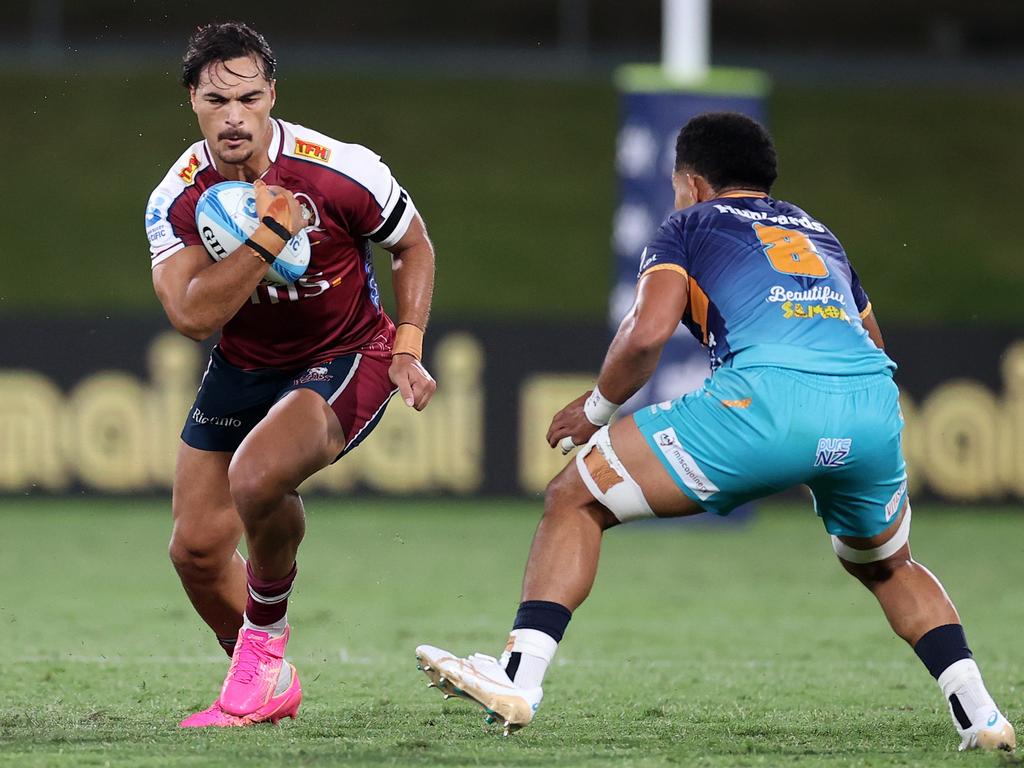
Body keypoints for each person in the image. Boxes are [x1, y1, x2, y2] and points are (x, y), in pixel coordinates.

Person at [416, 112, 1015, 752]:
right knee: (890, 566)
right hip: (871, 404)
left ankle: (517, 678)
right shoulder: (819, 234)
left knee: (575, 497)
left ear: (693, 183)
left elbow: (646, 335)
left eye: (677, 185)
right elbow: (870, 340)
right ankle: (981, 716)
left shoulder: (689, 223)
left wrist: (594, 409)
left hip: (766, 403)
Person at [145, 21, 437, 728]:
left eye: (249, 96)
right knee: (195, 550)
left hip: (346, 353)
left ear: (272, 93)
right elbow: (190, 316)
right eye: (217, 100)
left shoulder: (340, 169)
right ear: (193, 101)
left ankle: (263, 645)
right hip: (245, 363)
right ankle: (264, 673)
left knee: (257, 476)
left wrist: (407, 344)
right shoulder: (175, 198)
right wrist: (269, 237)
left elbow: (413, 243)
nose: (235, 115)